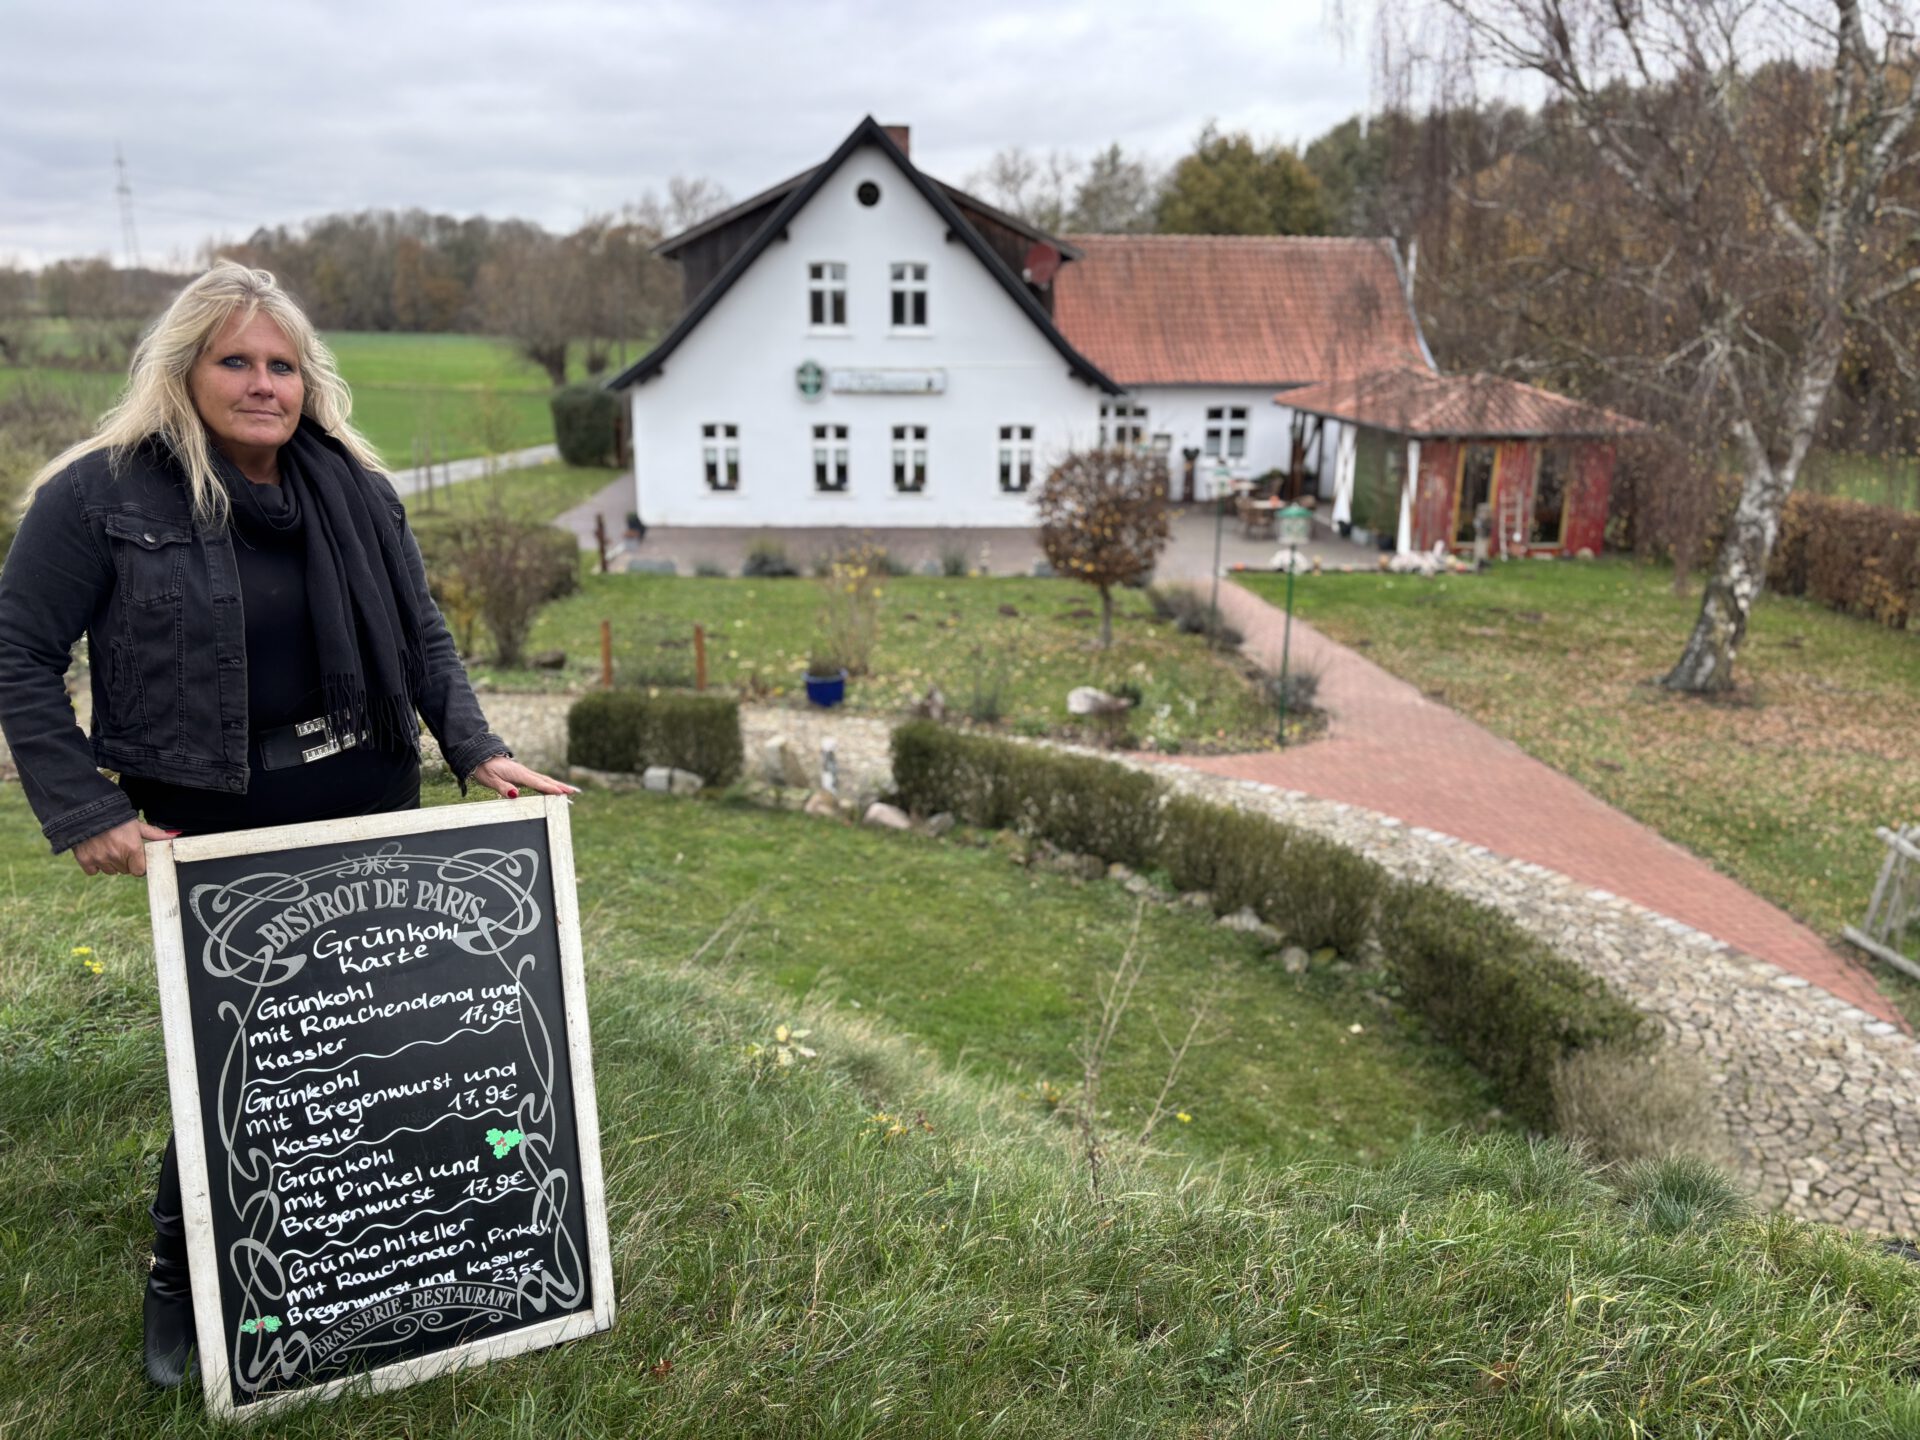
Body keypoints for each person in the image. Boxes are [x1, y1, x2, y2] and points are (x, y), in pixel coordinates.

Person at [0, 261, 576, 1388]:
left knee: (366, 1039)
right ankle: (183, 1269)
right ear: (184, 369)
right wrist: (84, 806)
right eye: (236, 361)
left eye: (283, 364)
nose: (263, 384)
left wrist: (475, 747)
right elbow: (17, 655)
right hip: (219, 812)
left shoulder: (355, 488)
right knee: (245, 1052)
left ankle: (372, 1258)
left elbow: (421, 633)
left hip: (368, 788)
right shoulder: (100, 494)